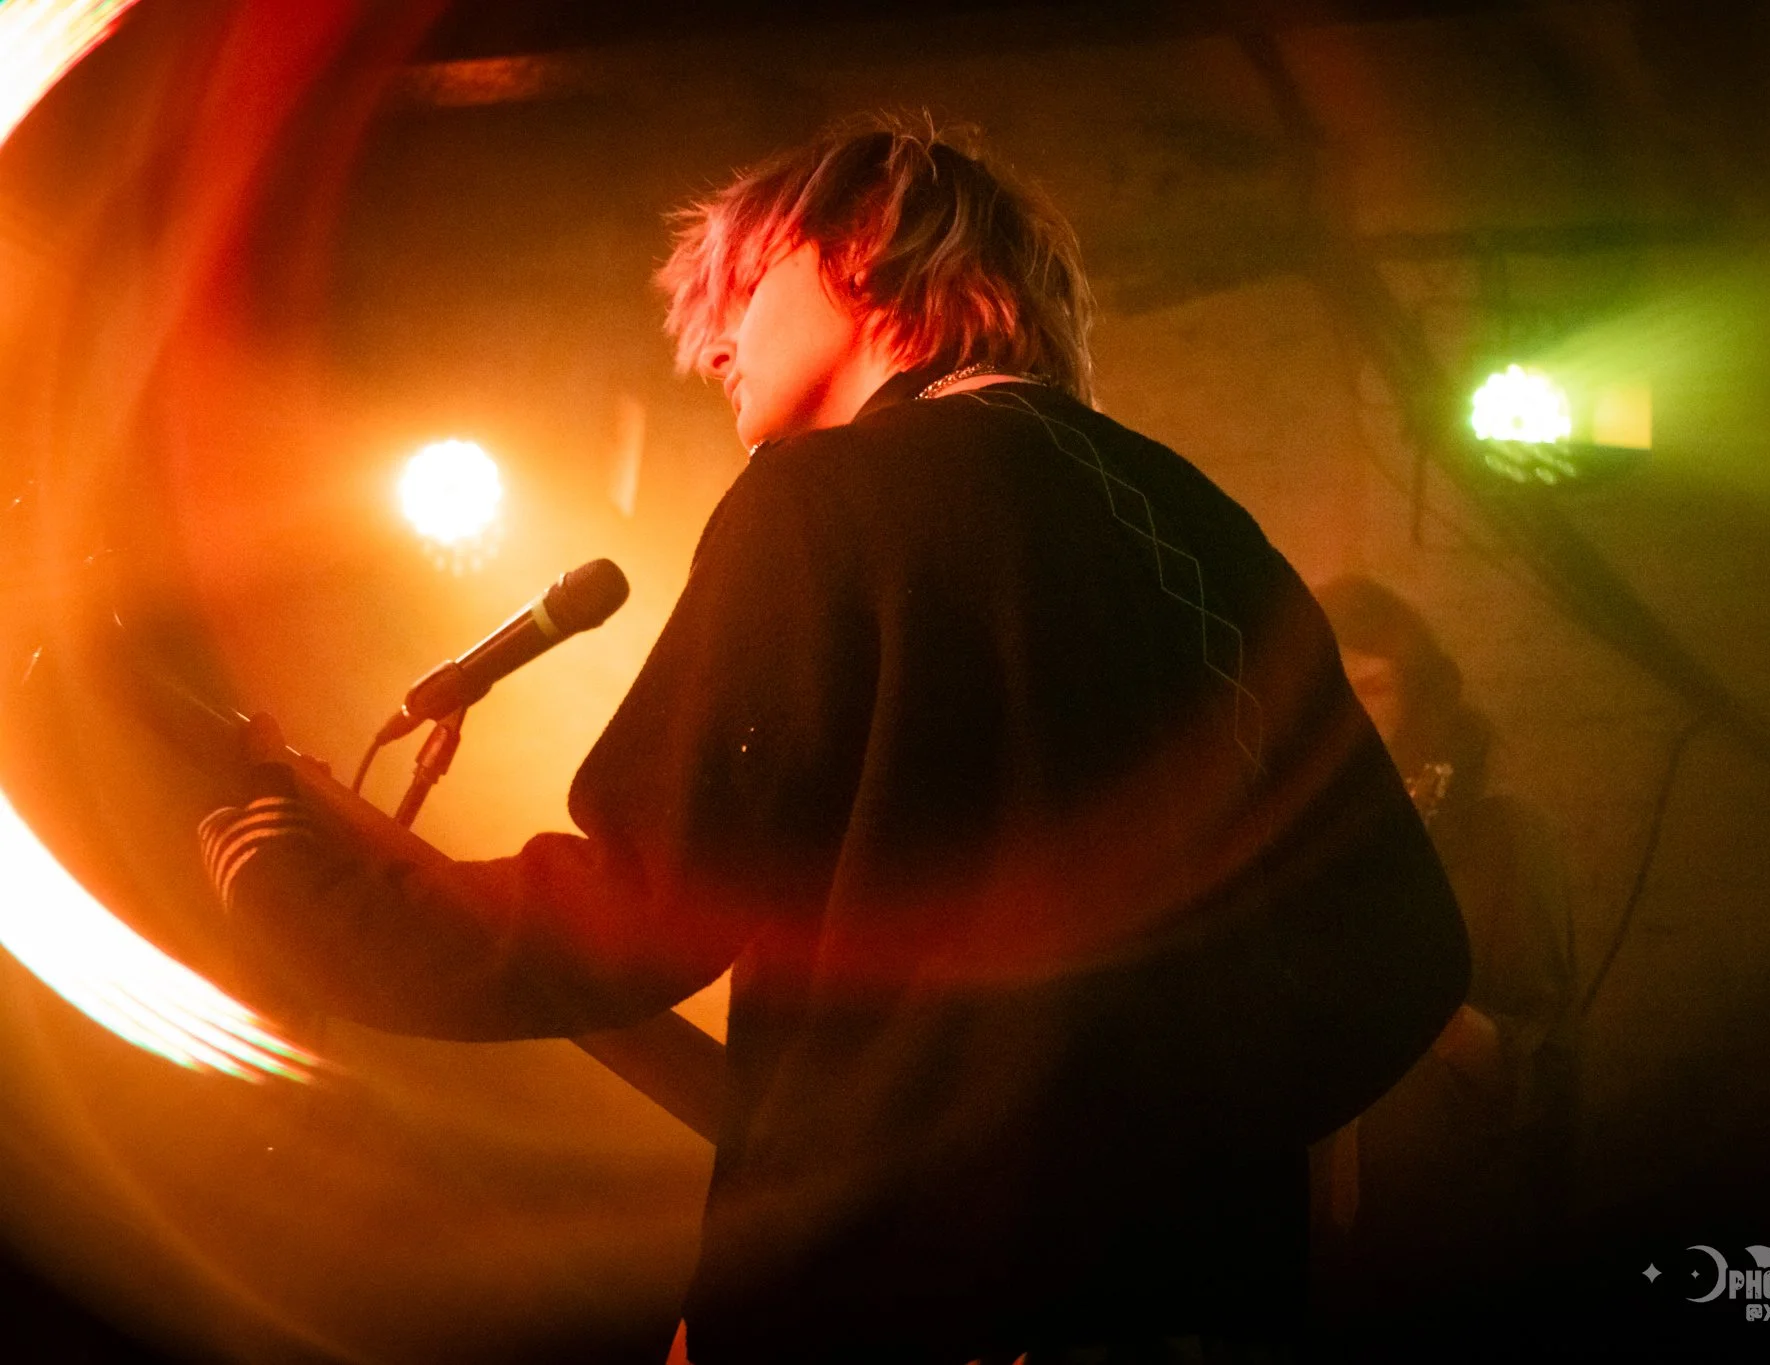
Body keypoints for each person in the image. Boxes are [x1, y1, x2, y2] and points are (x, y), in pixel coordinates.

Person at [198, 118, 1469, 1364]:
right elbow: (1406, 951)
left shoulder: (827, 501)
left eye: (744, 291)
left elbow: (642, 909)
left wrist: (309, 901)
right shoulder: (1205, 527)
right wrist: (1161, 1158)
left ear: (857, 249)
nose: (715, 352)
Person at [1310, 575, 1575, 1314]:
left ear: (1417, 699)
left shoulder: (1504, 840)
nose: (1350, 718)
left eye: (1373, 688)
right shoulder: (1292, 855)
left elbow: (1548, 1074)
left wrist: (1437, 1013)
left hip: (1450, 1256)